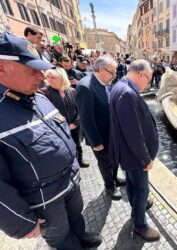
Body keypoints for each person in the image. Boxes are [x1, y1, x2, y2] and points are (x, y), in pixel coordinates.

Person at [0, 32, 101, 249]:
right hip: (44, 201)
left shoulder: (37, 96)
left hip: (70, 184)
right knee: (61, 238)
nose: (41, 76)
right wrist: (22, 223)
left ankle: (83, 238)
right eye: (32, 70)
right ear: (2, 67)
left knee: (77, 219)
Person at [109, 59, 160, 242]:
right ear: (140, 74)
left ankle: (136, 209)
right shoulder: (127, 93)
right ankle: (140, 226)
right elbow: (133, 133)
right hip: (135, 157)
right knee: (141, 190)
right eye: (148, 79)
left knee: (133, 186)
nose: (148, 83)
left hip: (127, 154)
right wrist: (146, 159)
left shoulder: (120, 86)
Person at [76, 55, 125, 201]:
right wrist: (96, 143)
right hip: (100, 136)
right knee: (105, 163)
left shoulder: (106, 81)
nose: (114, 76)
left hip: (112, 134)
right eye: (113, 72)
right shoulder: (85, 87)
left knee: (115, 159)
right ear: (102, 69)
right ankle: (109, 186)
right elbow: (86, 119)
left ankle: (115, 177)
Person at [42, 67, 89, 168]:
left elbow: (79, 109)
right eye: (47, 77)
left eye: (53, 77)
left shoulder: (72, 91)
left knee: (77, 144)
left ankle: (80, 160)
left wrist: (75, 123)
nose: (49, 80)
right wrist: (62, 125)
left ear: (62, 78)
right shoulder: (45, 92)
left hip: (74, 126)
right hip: (58, 129)